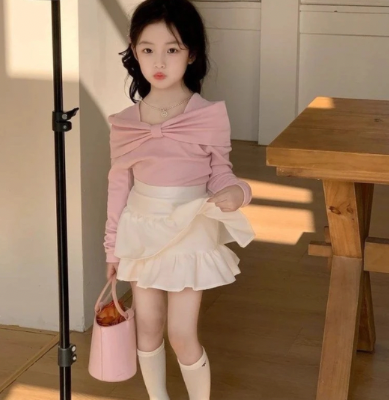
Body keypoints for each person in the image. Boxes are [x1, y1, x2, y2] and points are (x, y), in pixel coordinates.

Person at [103, 1, 255, 399]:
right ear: (134, 52)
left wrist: (238, 192)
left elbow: (221, 172)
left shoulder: (208, 115)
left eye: (172, 49)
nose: (159, 61)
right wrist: (111, 249)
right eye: (147, 49)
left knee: (181, 333)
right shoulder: (124, 122)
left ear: (191, 53)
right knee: (148, 326)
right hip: (142, 229)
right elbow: (118, 188)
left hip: (189, 230)